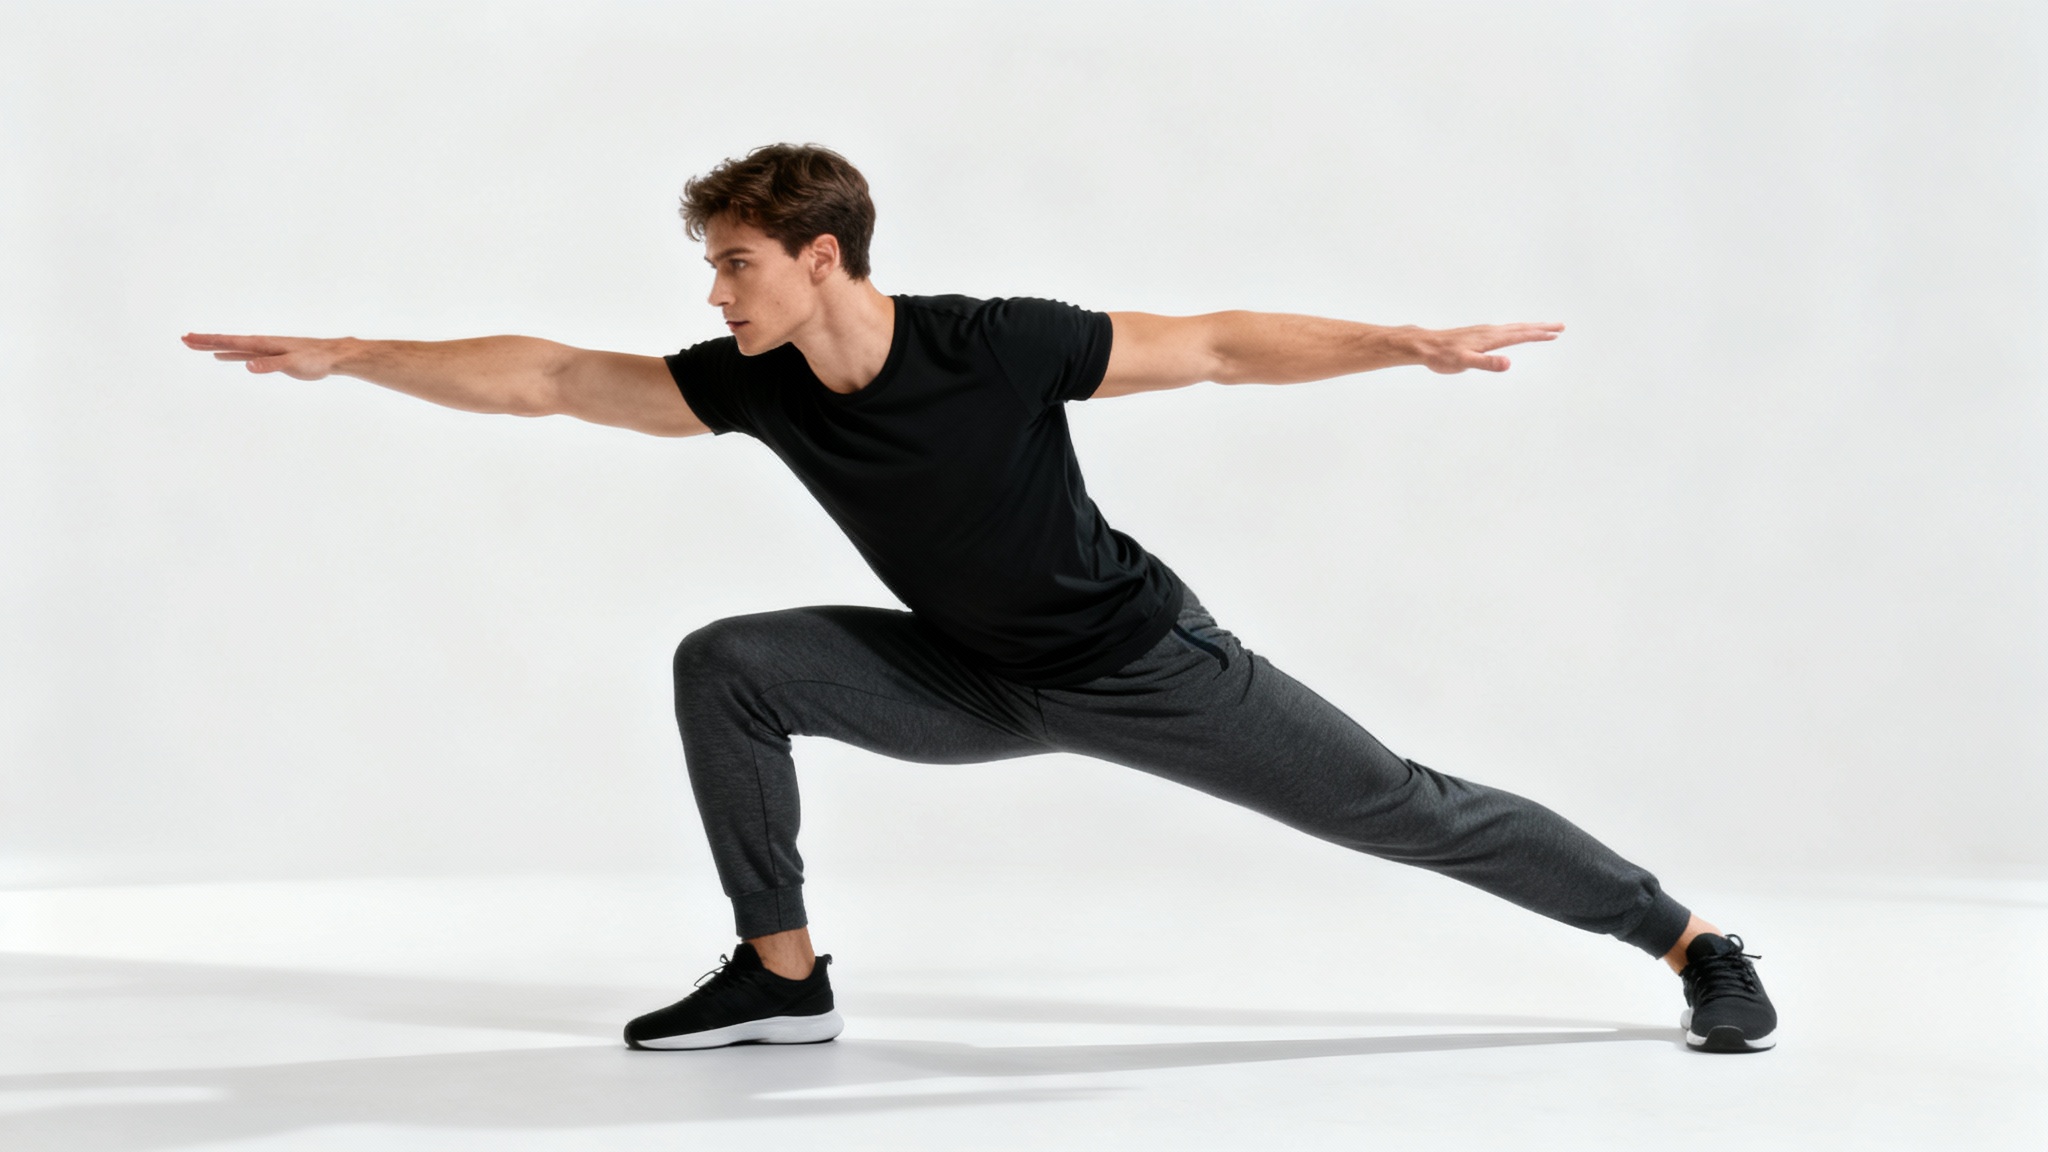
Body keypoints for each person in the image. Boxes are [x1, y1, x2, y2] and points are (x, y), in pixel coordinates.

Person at [184, 143, 1776, 1055]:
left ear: (820, 256)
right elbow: (545, 377)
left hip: (1142, 664)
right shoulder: (756, 385)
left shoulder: (990, 342)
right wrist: (353, 358)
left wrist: (1403, 341)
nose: (714, 292)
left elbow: (1212, 343)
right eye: (713, 269)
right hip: (964, 678)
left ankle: (1687, 940)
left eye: (736, 262)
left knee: (1403, 807)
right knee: (727, 662)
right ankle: (783, 975)